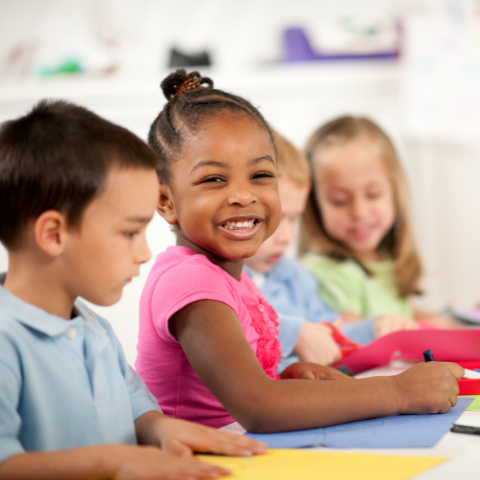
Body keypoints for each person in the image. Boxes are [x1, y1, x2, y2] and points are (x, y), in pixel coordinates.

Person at [136, 69, 463, 435]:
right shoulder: (190, 281)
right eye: (214, 179)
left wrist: (286, 378)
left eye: (260, 175)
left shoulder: (232, 278)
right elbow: (258, 408)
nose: (244, 195)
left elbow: (249, 391)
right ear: (165, 200)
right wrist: (400, 391)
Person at [0, 100, 265, 480]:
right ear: (54, 234)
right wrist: (114, 462)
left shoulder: (93, 327)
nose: (143, 254)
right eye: (129, 233)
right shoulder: (6, 341)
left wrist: (162, 429)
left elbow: (135, 404)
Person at [299, 116, 454, 334]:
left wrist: (445, 319)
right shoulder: (328, 272)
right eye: (340, 200)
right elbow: (348, 344)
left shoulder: (383, 259)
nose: (360, 212)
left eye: (374, 194)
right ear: (315, 205)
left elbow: (402, 313)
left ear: (395, 192)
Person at [244, 132, 379, 373]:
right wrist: (293, 333)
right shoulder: (222, 282)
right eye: (272, 219)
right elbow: (235, 330)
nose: (287, 237)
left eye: (293, 219)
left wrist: (376, 328)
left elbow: (331, 330)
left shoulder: (296, 277)